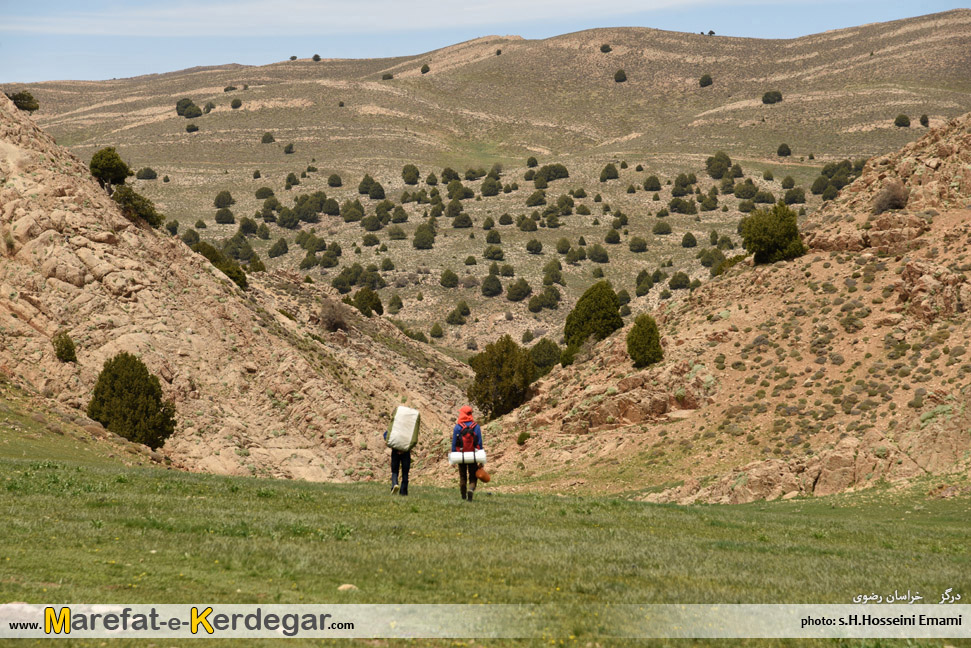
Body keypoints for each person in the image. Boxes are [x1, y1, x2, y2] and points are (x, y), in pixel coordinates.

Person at [451, 405, 483, 501]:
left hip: (461, 455)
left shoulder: (457, 427)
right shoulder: (476, 426)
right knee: (473, 475)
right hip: (473, 455)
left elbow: (454, 443)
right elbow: (479, 443)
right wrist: (480, 458)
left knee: (462, 475)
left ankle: (463, 492)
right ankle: (471, 490)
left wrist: (453, 455)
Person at [383, 428, 411, 496]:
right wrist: (404, 449)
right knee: (405, 472)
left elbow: (385, 435)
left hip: (395, 451)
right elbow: (412, 439)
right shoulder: (408, 427)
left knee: (395, 471)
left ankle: (394, 485)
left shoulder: (395, 426)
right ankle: (403, 492)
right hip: (405, 451)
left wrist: (393, 446)